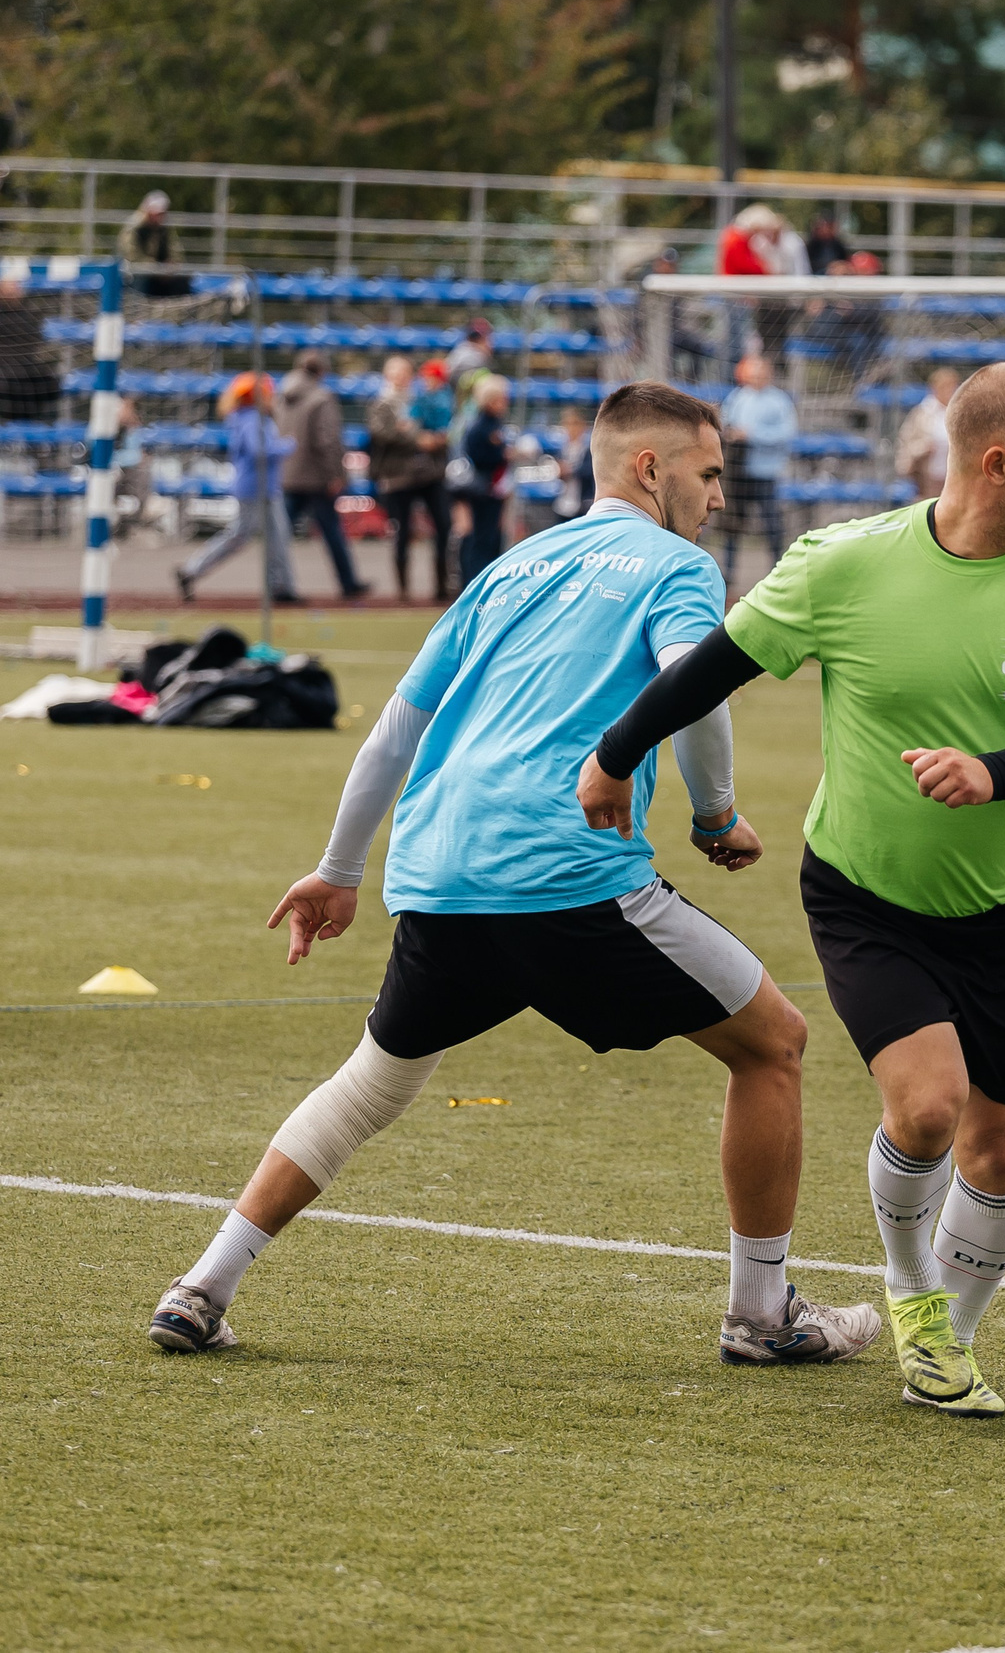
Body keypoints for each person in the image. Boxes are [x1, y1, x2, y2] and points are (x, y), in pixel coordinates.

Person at [147, 381, 880, 1371]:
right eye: (708, 475)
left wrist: (336, 871)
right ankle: (761, 1314)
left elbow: (391, 735)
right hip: (565, 874)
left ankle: (202, 1286)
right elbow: (694, 692)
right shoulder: (678, 566)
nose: (718, 498)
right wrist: (714, 817)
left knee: (369, 1085)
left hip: (440, 872)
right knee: (775, 1044)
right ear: (649, 469)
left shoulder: (507, 568)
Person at [581, 363, 1005, 1419]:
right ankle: (913, 1291)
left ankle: (946, 1343)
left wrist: (993, 772)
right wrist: (615, 756)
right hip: (865, 890)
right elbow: (715, 666)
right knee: (927, 1110)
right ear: (996, 462)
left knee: (1001, 1140)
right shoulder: (845, 561)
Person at [175, 372, 296, 604]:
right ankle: (192, 570)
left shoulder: (248, 417)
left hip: (262, 487)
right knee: (242, 535)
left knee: (276, 536)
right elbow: (258, 451)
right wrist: (287, 446)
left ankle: (281, 586)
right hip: (255, 487)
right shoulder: (252, 419)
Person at [278, 351, 368, 600]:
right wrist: (336, 475)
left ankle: (278, 585)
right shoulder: (321, 397)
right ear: (321, 371)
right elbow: (326, 440)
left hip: (289, 473)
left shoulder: (281, 395)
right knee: (331, 531)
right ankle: (348, 583)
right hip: (317, 477)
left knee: (280, 533)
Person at [368, 356, 452, 605]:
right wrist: (417, 439)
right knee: (402, 531)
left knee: (443, 526)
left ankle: (442, 585)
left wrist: (435, 438)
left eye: (405, 373)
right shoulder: (382, 403)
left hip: (429, 474)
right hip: (399, 477)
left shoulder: (422, 399)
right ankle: (403, 591)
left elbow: (441, 427)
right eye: (396, 373)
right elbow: (382, 433)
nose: (402, 378)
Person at [720, 353, 796, 585]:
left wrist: (753, 435)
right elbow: (724, 424)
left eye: (760, 373)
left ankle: (779, 570)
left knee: (773, 525)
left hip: (765, 475)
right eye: (752, 373)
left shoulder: (779, 401)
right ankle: (728, 572)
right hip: (738, 474)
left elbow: (786, 434)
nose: (756, 378)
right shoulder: (738, 397)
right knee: (731, 526)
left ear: (768, 374)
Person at [456, 374, 513, 587]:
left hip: (493, 489)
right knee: (482, 539)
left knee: (492, 539)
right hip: (483, 490)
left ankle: (484, 581)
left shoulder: (493, 424)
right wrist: (503, 455)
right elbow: (478, 457)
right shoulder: (481, 426)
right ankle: (475, 582)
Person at [898, 367, 960, 500]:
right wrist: (924, 447)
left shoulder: (959, 413)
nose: (950, 391)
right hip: (927, 477)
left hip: (953, 477)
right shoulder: (921, 414)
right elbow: (906, 444)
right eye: (946, 387)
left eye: (952, 387)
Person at [0, 277, 57, 420]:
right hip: (7, 376)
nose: (15, 289)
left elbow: (33, 339)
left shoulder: (28, 315)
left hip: (24, 375)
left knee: (50, 384)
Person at [118, 190, 189, 297]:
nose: (161, 217)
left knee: (182, 279)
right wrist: (155, 268)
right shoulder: (134, 228)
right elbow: (132, 255)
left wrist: (172, 265)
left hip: (161, 271)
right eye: (158, 213)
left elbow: (175, 250)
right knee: (141, 280)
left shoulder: (165, 228)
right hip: (136, 271)